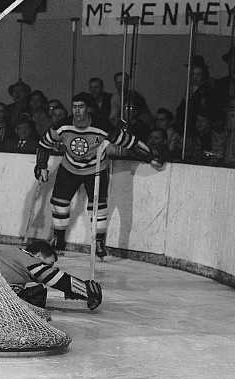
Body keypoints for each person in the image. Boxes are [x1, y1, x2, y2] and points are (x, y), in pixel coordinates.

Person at [35, 92, 161, 258]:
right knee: (59, 204)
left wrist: (150, 156)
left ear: (88, 109)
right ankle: (58, 239)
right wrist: (41, 165)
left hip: (95, 170)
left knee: (98, 207)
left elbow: (129, 142)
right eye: (74, 107)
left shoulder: (102, 126)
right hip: (69, 168)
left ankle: (99, 241)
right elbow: (44, 144)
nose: (77, 111)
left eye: (81, 107)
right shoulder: (62, 126)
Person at [0, 240, 102, 310]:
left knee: (32, 297)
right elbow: (53, 277)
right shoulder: (25, 257)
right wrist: (85, 289)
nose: (51, 267)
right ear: (38, 255)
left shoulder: (17, 272)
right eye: (50, 263)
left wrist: (67, 294)